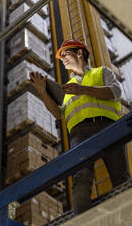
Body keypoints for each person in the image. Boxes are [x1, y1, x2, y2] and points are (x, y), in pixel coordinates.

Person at [29, 39, 129, 215]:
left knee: (120, 177)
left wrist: (83, 89)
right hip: (79, 135)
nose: (63, 60)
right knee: (80, 179)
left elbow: (115, 92)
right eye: (61, 58)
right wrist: (43, 92)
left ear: (79, 53)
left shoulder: (101, 73)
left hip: (108, 127)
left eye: (65, 54)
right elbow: (58, 113)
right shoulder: (67, 90)